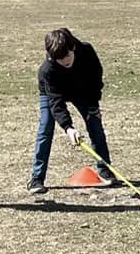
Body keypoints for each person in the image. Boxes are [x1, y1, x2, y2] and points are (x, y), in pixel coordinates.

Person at [28, 28, 115, 194]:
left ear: (72, 48)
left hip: (82, 90)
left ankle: (105, 170)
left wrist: (92, 104)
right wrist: (68, 127)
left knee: (95, 126)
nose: (65, 61)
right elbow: (56, 102)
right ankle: (37, 179)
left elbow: (96, 76)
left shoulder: (86, 51)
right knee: (45, 129)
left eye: (67, 56)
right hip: (52, 92)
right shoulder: (47, 70)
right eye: (59, 59)